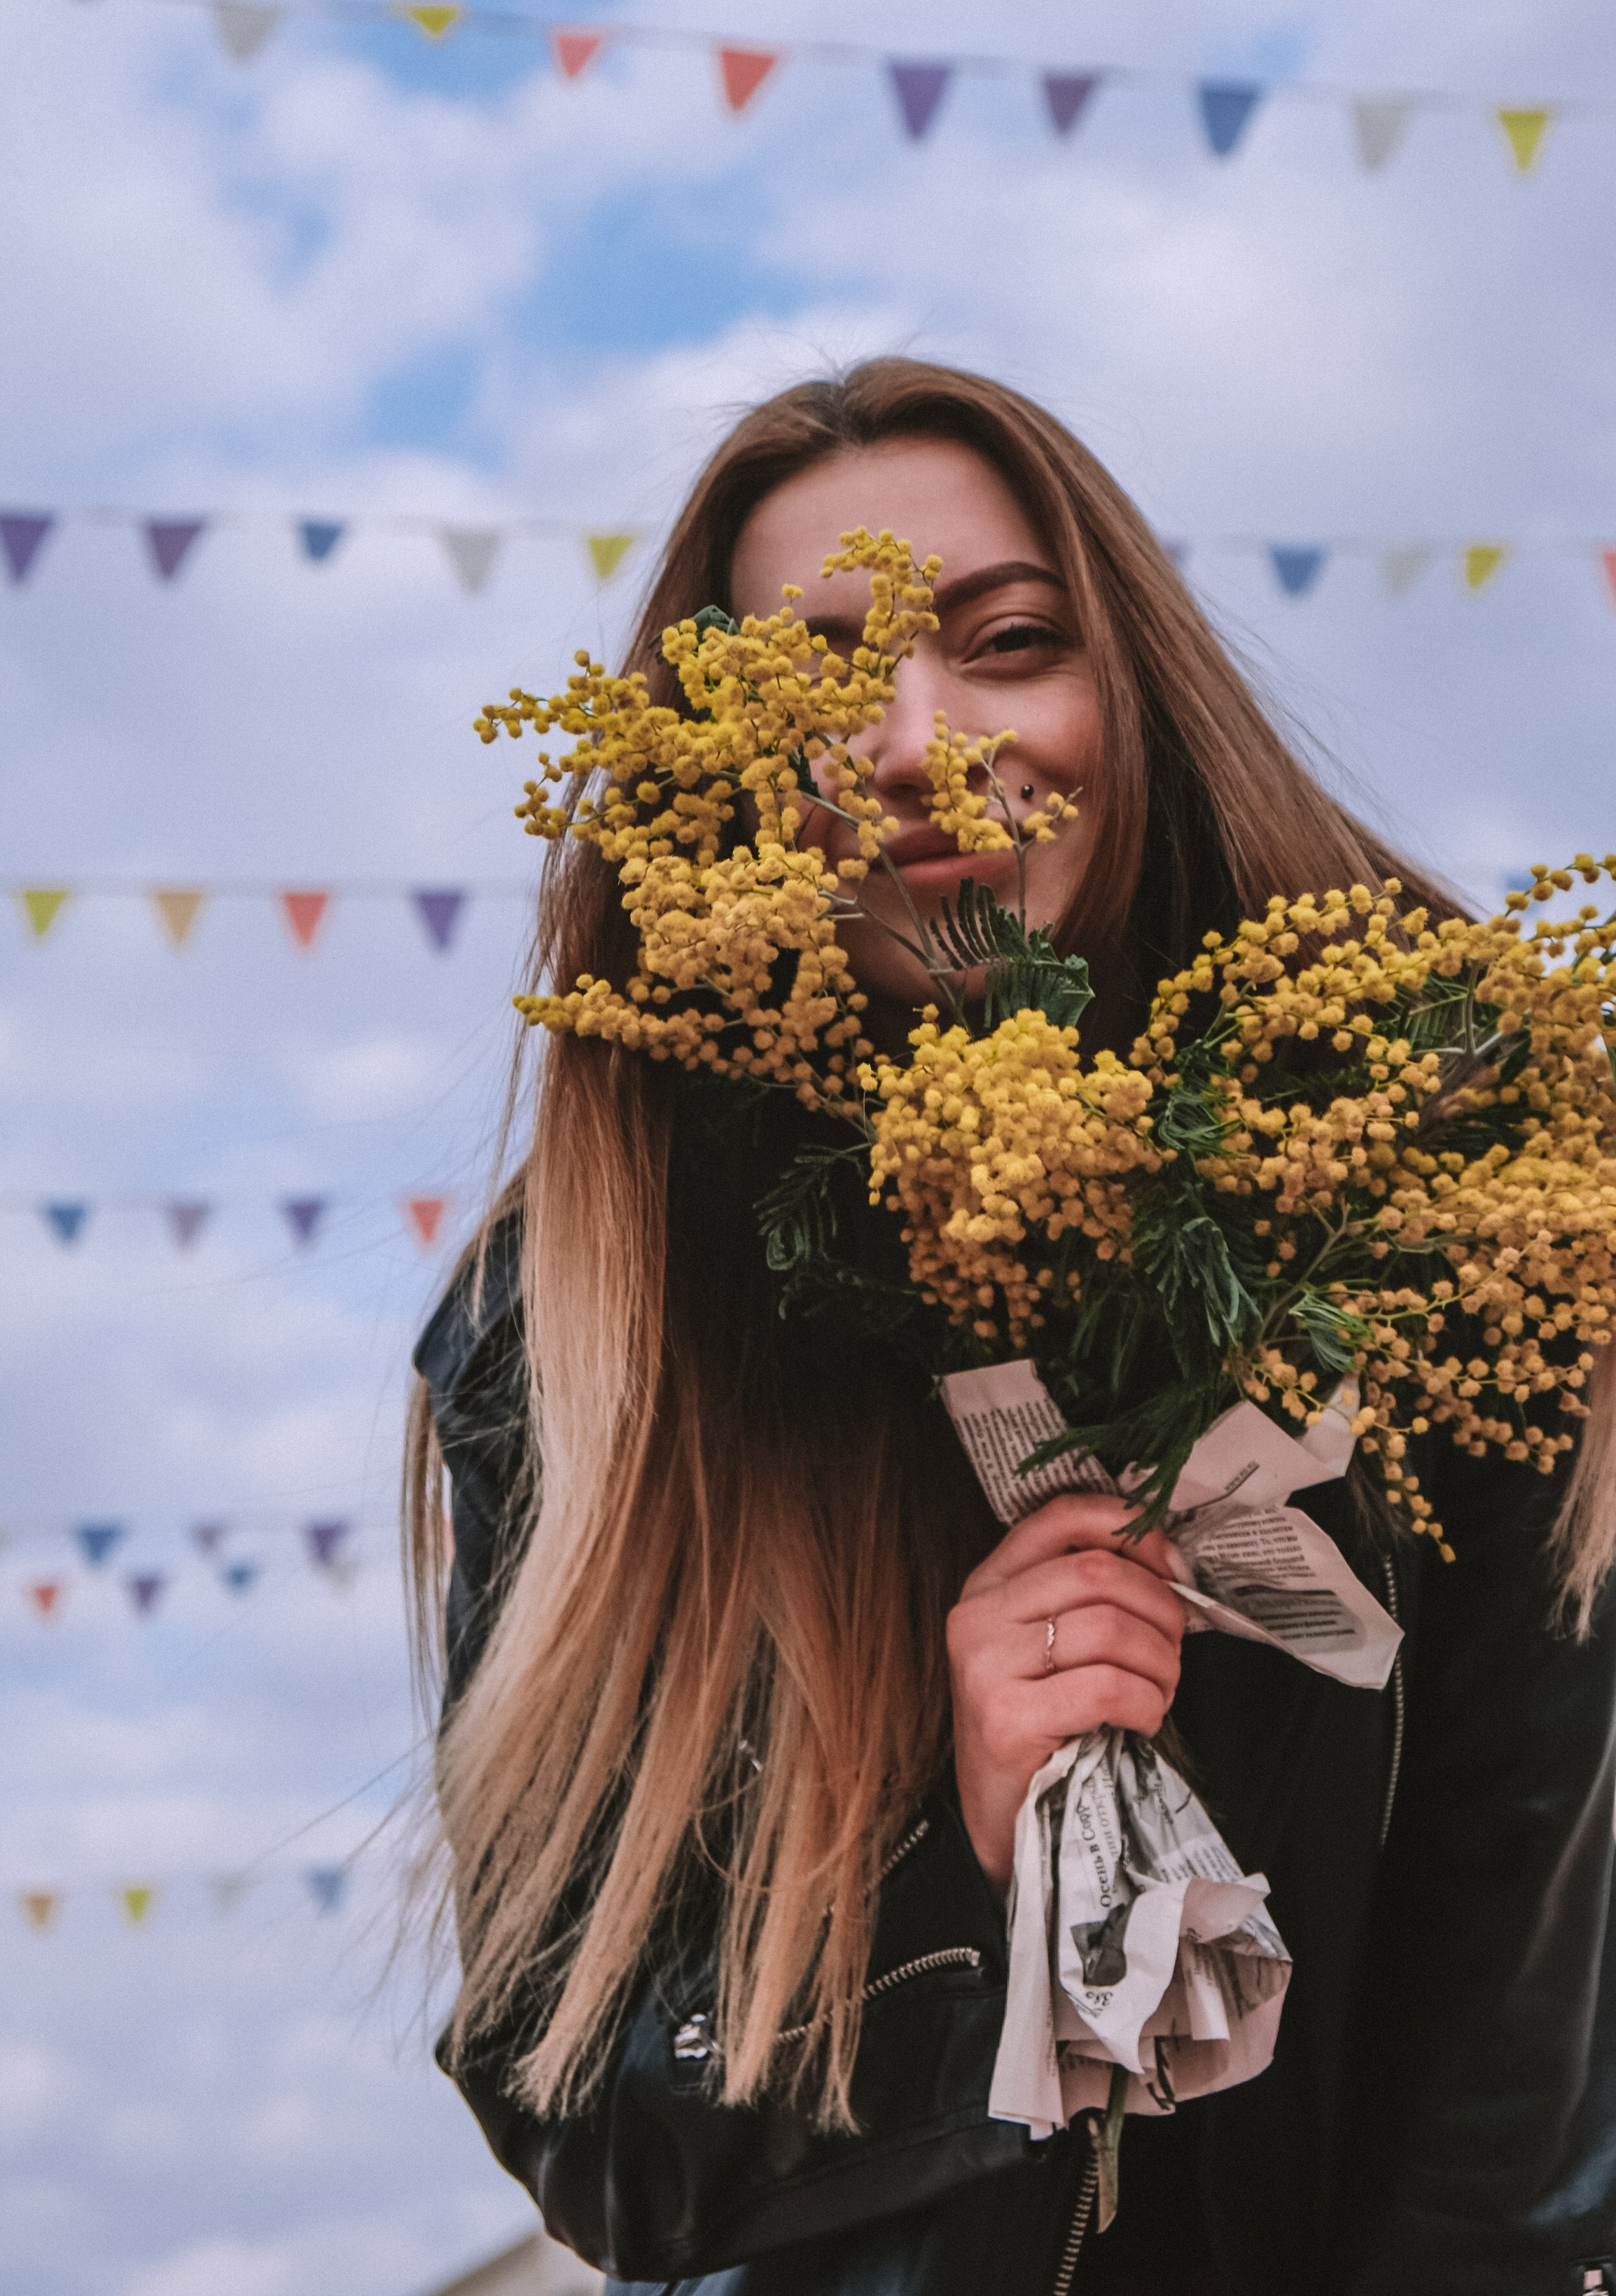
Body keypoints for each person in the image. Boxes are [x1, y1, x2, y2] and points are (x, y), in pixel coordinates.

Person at [406, 359, 1616, 2296]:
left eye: (1006, 641)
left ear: (1131, 690)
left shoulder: (1455, 1229)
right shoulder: (578, 1324)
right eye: (806, 692)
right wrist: (942, 1861)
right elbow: (607, 2140)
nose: (909, 741)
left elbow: (1523, 2105)